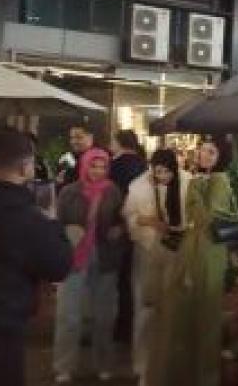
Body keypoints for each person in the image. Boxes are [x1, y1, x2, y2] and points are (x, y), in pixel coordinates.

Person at [157, 136, 238, 386]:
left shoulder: (218, 180)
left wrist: (194, 190)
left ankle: (203, 376)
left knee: (204, 314)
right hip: (198, 249)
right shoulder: (204, 179)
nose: (203, 155)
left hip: (207, 251)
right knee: (192, 312)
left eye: (211, 152)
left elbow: (208, 218)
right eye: (202, 150)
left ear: (221, 158)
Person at [0, 127, 73, 386]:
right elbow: (58, 265)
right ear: (26, 167)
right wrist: (53, 224)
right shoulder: (27, 216)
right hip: (3, 327)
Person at [53, 148, 125, 384]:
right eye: (93, 166)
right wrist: (68, 235)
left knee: (104, 316)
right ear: (85, 166)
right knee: (69, 316)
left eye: (102, 167)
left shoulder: (113, 191)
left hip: (105, 258)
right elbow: (57, 226)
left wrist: (119, 230)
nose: (97, 171)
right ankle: (64, 366)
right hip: (74, 257)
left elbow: (122, 221)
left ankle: (103, 364)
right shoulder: (69, 192)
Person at [123, 149, 191, 386]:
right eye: (157, 170)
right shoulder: (139, 185)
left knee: (173, 308)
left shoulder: (186, 182)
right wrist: (150, 221)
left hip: (177, 253)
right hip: (147, 250)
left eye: (165, 171)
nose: (161, 176)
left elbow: (192, 218)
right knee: (146, 306)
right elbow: (129, 216)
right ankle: (143, 365)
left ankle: (169, 362)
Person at [109, 129, 148, 346]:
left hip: (119, 227)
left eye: (112, 141)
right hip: (138, 229)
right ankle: (132, 325)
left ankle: (121, 328)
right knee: (132, 278)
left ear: (120, 142)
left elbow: (113, 199)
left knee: (120, 280)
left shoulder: (116, 166)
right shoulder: (143, 164)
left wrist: (117, 223)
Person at [56, 125, 94, 191]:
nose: (74, 142)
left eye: (79, 137)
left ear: (90, 137)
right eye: (72, 138)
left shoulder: (100, 158)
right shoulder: (66, 159)